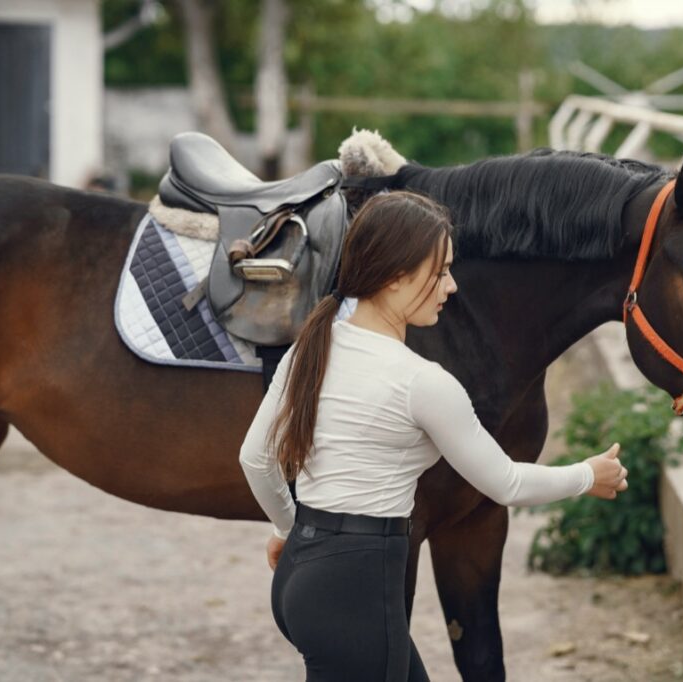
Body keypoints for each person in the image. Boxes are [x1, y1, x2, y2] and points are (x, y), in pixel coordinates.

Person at [239, 190, 628, 682]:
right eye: (440, 271)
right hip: (355, 594)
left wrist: (287, 529)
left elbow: (255, 458)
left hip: (304, 577)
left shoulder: (310, 346)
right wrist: (587, 475)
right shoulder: (422, 382)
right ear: (396, 276)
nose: (452, 285)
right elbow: (505, 483)